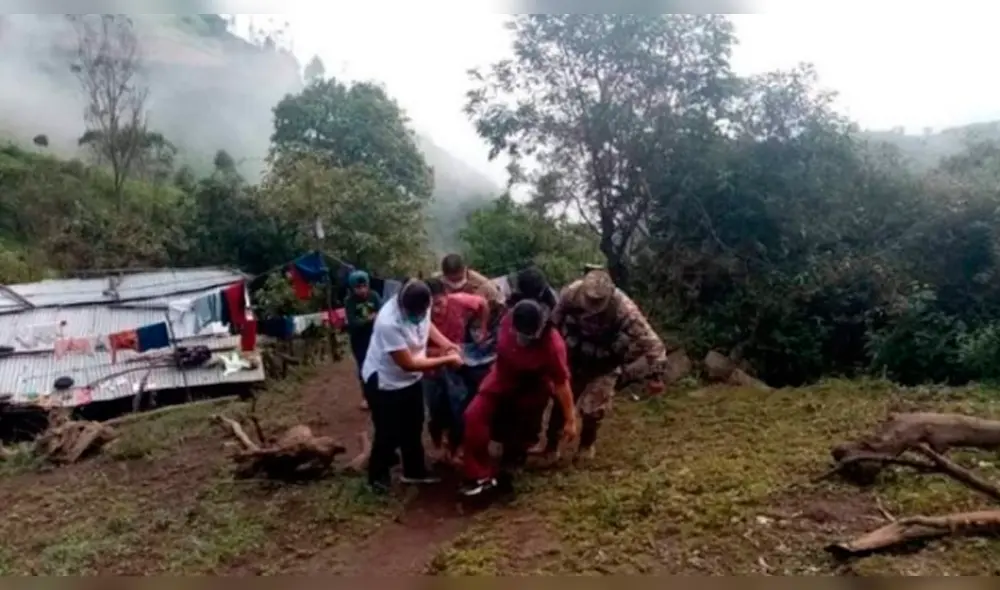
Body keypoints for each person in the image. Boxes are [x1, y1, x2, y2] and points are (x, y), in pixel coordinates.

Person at [541, 268, 670, 462]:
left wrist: (656, 376)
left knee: (594, 408)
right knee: (562, 401)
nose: (592, 306)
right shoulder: (571, 294)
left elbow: (651, 342)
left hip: (605, 363)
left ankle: (586, 445)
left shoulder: (624, 309)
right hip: (573, 356)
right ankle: (551, 447)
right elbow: (553, 323)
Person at [459, 299, 578, 497]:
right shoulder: (508, 319)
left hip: (532, 386)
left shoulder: (552, 345)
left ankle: (509, 469)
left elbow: (561, 383)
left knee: (520, 432)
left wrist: (570, 418)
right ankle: (478, 472)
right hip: (502, 376)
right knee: (474, 417)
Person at [361, 279, 464, 493]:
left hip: (411, 378)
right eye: (414, 314)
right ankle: (377, 479)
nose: (418, 318)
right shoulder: (388, 322)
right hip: (385, 381)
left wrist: (446, 344)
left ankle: (414, 471)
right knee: (388, 432)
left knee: (414, 423)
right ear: (402, 305)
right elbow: (408, 364)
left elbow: (427, 324)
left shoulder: (422, 301)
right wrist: (446, 360)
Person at [424, 277, 490, 463]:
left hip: (457, 366)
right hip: (430, 367)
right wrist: (441, 352)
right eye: (431, 307)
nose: (436, 310)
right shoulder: (420, 314)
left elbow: (483, 304)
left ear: (447, 296)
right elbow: (415, 350)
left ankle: (456, 446)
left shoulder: (460, 301)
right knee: (436, 409)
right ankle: (439, 442)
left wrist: (481, 329)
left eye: (439, 303)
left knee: (459, 406)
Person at [344, 270, 383, 410]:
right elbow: (353, 322)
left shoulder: (374, 296)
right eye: (358, 287)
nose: (361, 290)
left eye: (364, 286)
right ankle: (366, 397)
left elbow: (382, 312)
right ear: (352, 288)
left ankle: (380, 393)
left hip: (376, 338)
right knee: (364, 368)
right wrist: (369, 319)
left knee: (380, 365)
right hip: (359, 340)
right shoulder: (349, 302)